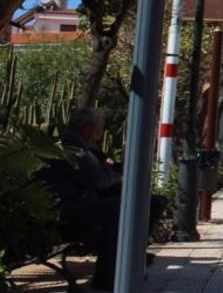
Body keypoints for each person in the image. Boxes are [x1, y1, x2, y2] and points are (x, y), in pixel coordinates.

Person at [39, 108, 165, 292]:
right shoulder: (73, 147)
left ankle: (131, 254)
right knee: (123, 208)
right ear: (86, 127)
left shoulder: (83, 145)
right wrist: (110, 172)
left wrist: (107, 171)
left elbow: (99, 176)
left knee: (147, 202)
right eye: (99, 128)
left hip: (80, 203)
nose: (100, 133)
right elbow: (97, 179)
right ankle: (108, 275)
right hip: (67, 210)